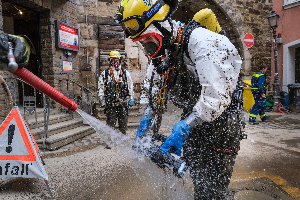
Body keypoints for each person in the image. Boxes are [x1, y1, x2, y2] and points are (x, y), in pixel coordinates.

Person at [115, 1, 244, 199]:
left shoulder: (202, 42)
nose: (147, 48)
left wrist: (183, 127)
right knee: (196, 175)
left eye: (148, 41)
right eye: (142, 43)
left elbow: (216, 98)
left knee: (213, 187)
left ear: (162, 26)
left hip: (223, 123)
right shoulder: (164, 49)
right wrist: (148, 115)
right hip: (194, 120)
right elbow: (156, 85)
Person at [98, 50, 134, 135]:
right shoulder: (105, 73)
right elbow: (101, 86)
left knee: (123, 123)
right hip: (111, 103)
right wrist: (101, 97)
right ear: (110, 61)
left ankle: (123, 140)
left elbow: (130, 85)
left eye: (117, 59)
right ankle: (110, 141)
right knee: (110, 122)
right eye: (113, 60)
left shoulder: (125, 73)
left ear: (120, 60)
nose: (115, 61)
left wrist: (131, 97)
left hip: (123, 103)